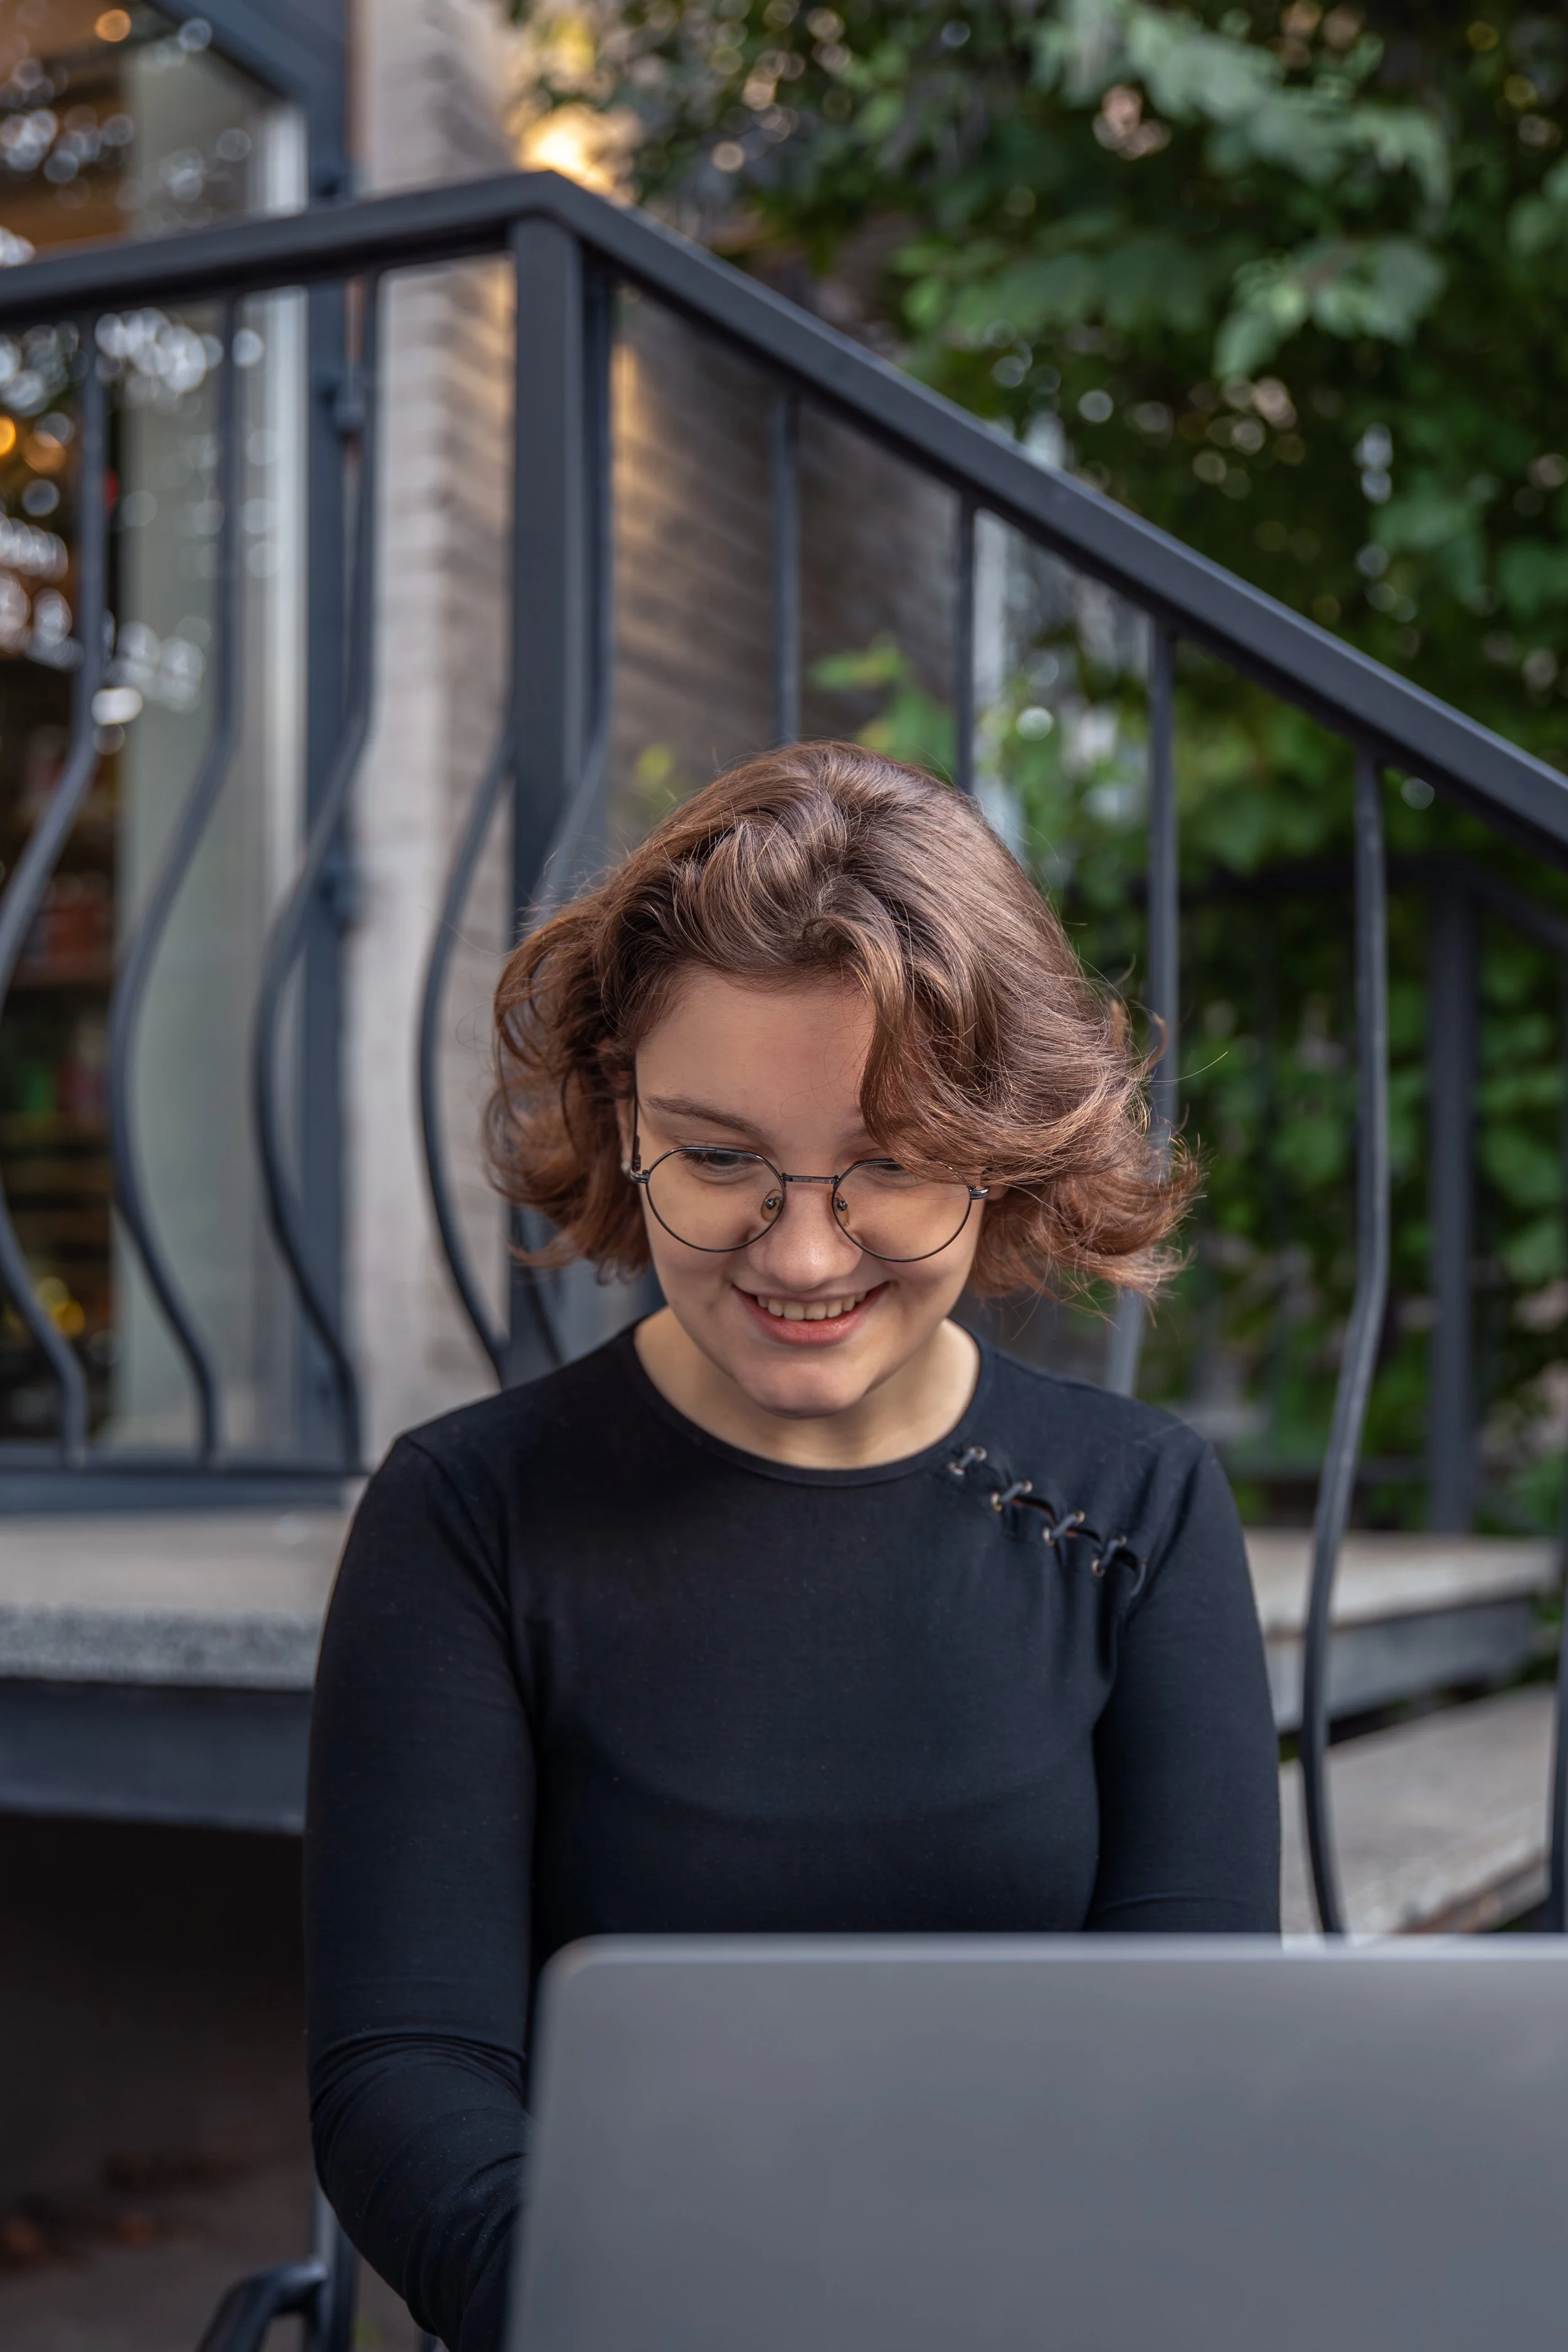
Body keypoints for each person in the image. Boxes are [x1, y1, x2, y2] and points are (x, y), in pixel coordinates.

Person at [305, 743, 1279, 2352]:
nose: (804, 1251)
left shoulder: (1143, 1510)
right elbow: (408, 2073)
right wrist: (616, 2302)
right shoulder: (465, 1517)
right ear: (623, 1119)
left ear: (998, 1146)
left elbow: (1183, 2051)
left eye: (886, 1163)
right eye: (720, 1156)